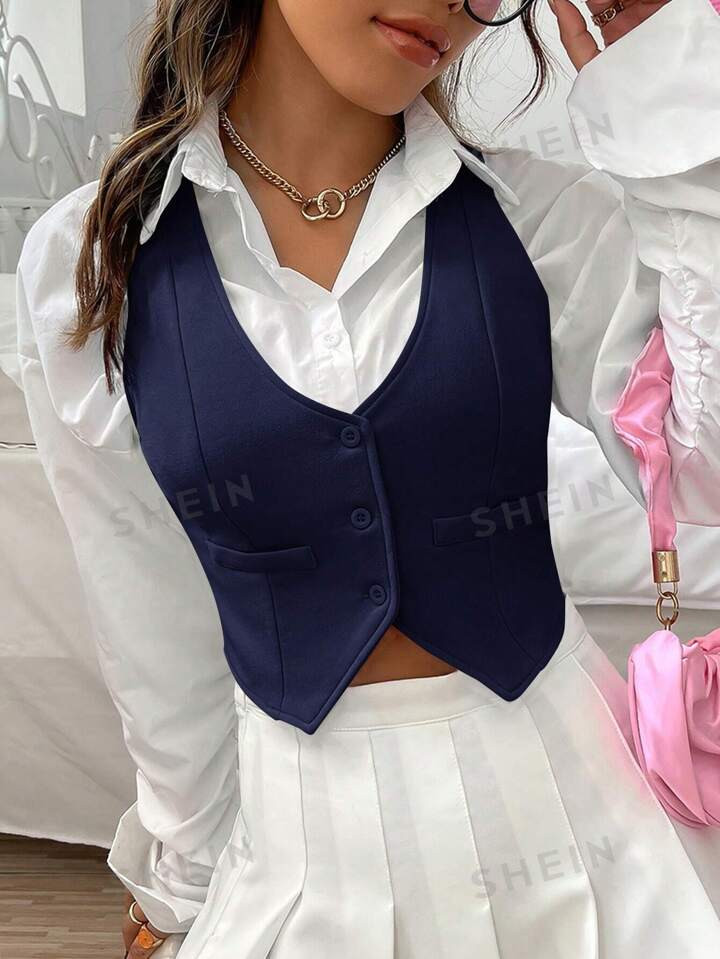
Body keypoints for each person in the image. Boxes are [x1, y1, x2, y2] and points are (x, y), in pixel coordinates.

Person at [14, 0, 720, 956]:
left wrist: (673, 110)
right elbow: (151, 625)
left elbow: (702, 473)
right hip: (304, 856)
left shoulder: (536, 215)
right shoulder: (96, 260)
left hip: (578, 820)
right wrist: (182, 884)